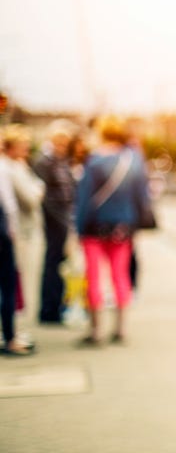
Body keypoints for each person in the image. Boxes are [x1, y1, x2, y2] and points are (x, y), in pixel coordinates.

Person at [74, 115, 150, 345]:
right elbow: (142, 198)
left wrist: (79, 229)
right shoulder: (134, 161)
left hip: (94, 227)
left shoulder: (95, 161)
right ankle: (121, 329)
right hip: (123, 228)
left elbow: (84, 200)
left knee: (94, 277)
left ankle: (96, 331)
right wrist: (136, 224)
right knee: (121, 276)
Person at [34, 119, 76, 324]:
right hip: (54, 222)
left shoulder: (62, 161)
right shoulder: (44, 161)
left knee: (61, 264)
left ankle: (59, 306)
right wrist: (62, 221)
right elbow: (44, 196)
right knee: (53, 263)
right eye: (59, 142)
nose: (62, 146)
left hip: (64, 219)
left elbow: (70, 189)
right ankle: (49, 310)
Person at [4, 124, 47, 320]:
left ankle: (14, 326)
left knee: (18, 281)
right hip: (19, 232)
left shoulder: (20, 166)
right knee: (16, 280)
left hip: (22, 230)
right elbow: (31, 198)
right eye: (23, 144)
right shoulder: (10, 169)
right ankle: (12, 327)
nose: (27, 148)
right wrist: (38, 189)